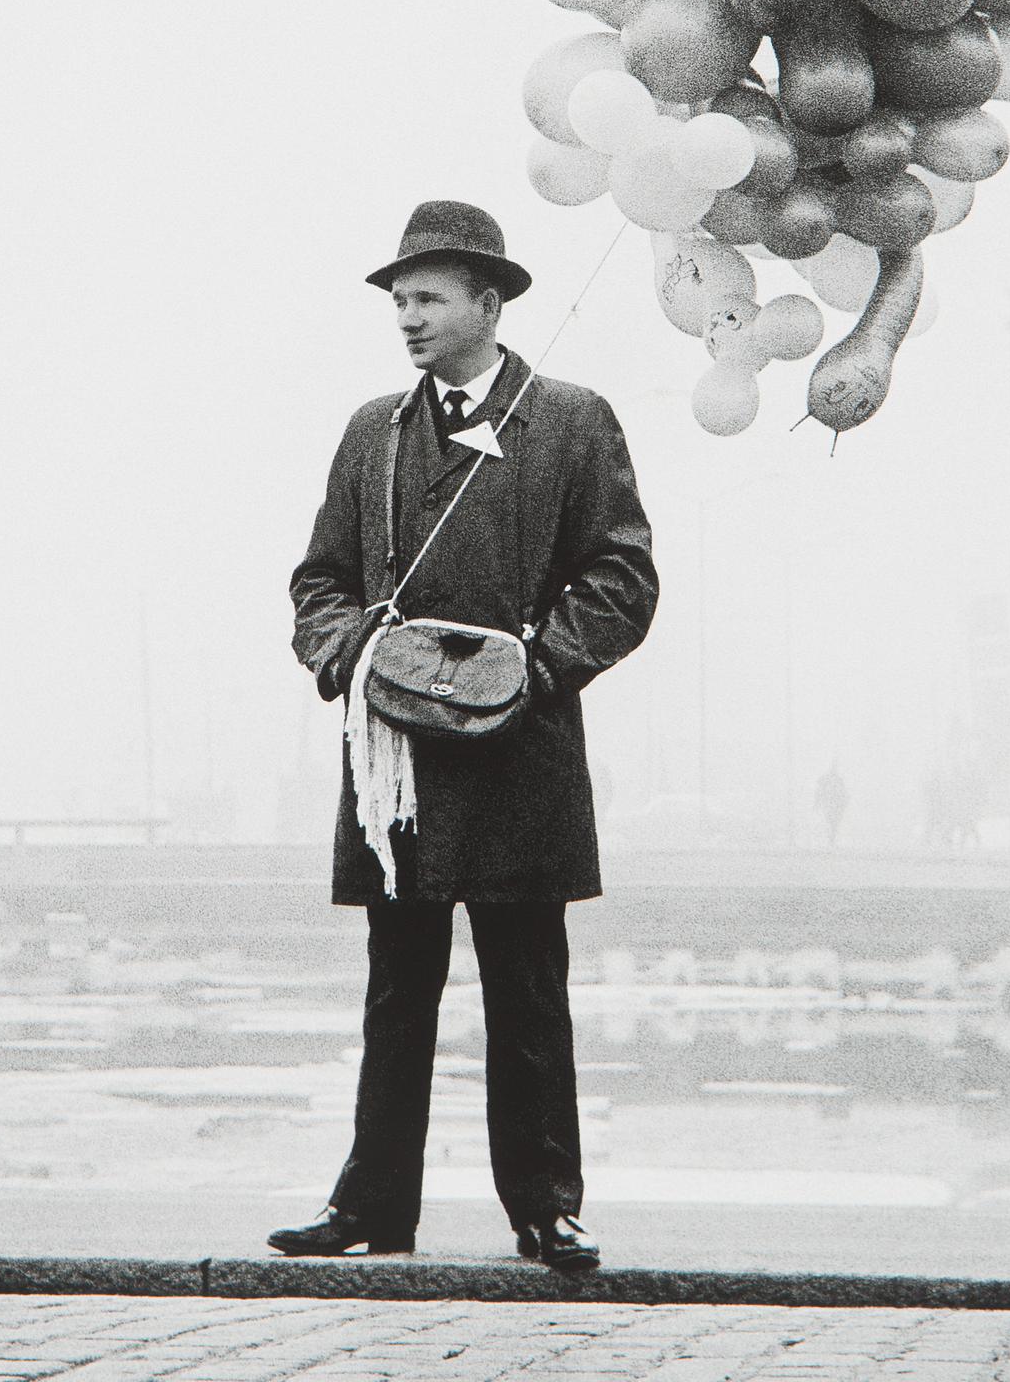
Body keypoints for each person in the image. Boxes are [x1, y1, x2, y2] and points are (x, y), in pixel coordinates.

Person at [272, 200, 658, 1272]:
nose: (407, 316)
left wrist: (532, 668)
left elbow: (623, 578)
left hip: (521, 755)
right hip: (394, 764)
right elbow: (320, 580)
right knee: (397, 988)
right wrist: (346, 647)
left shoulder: (572, 420)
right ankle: (371, 1205)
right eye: (398, 299)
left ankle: (545, 1207)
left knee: (526, 986)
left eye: (428, 297)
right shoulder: (371, 431)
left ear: (489, 303)